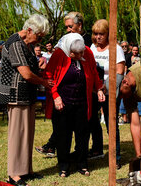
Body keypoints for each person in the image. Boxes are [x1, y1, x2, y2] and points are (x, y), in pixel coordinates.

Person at [0, 14, 53, 186]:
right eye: (39, 36)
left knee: (28, 134)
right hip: (15, 95)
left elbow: (32, 69)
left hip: (27, 95)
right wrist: (44, 82)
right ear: (29, 30)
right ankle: (13, 174)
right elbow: (26, 74)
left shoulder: (27, 44)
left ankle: (26, 170)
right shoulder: (15, 43)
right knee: (17, 135)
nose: (39, 40)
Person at [44, 33, 105, 177]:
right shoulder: (59, 54)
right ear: (68, 50)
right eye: (75, 53)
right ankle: (64, 166)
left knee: (82, 135)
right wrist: (55, 95)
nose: (79, 55)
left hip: (82, 102)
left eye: (81, 53)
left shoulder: (86, 52)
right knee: (63, 135)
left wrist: (99, 89)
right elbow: (48, 75)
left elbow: (93, 73)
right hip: (63, 103)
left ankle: (82, 164)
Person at [89, 19, 125, 169]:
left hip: (109, 91)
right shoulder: (92, 48)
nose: (98, 37)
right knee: (91, 120)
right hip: (93, 91)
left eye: (101, 34)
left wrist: (105, 88)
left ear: (108, 34)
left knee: (111, 125)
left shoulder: (116, 49)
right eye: (96, 34)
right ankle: (97, 149)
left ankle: (115, 157)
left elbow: (119, 71)